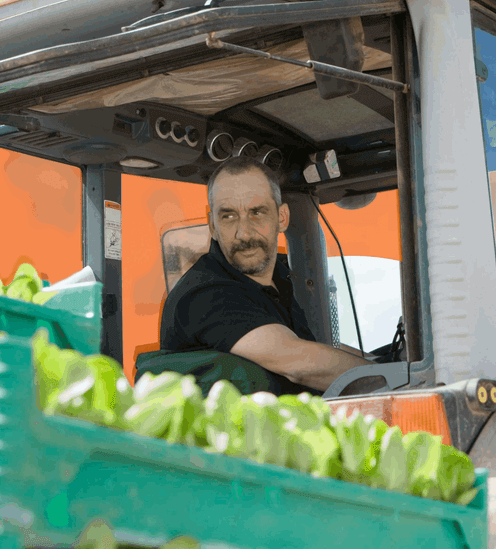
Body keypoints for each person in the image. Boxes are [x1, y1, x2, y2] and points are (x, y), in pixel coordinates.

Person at [159, 155, 372, 393]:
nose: (244, 233)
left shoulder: (281, 276)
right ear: (213, 227)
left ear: (282, 218)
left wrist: (380, 363)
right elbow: (298, 362)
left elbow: (312, 348)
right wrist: (391, 381)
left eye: (257, 213)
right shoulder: (204, 294)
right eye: (228, 216)